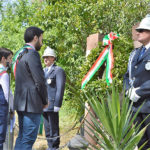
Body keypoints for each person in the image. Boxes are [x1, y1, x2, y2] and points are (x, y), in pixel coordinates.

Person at [14, 26, 48, 150]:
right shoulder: (33, 54)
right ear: (35, 38)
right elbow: (39, 81)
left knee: (22, 138)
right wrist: (45, 100)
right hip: (31, 104)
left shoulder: (21, 53)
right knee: (28, 140)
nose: (42, 42)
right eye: (41, 39)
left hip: (21, 101)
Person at [124, 14, 150, 149]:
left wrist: (140, 91)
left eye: (142, 30)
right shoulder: (135, 53)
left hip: (148, 105)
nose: (138, 33)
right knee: (141, 143)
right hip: (135, 106)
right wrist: (128, 89)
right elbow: (126, 75)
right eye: (137, 30)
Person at [42, 47, 66, 150]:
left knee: (53, 128)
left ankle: (55, 147)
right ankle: (49, 146)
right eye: (44, 57)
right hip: (44, 104)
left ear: (53, 58)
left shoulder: (58, 70)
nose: (45, 59)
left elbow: (60, 88)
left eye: (47, 57)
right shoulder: (43, 71)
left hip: (52, 104)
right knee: (47, 128)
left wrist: (57, 104)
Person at [0, 48, 13, 150]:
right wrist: (12, 109)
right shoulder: (3, 74)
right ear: (3, 59)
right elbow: (7, 94)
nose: (11, 61)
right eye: (10, 58)